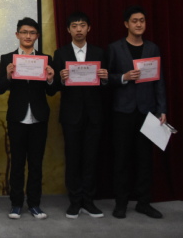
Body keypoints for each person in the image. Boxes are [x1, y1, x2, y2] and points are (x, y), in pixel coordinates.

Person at [107, 5, 167, 220]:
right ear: (126, 24)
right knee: (121, 159)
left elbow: (159, 81)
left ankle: (144, 202)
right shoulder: (115, 48)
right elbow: (106, 78)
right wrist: (124, 77)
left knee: (145, 159)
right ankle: (121, 204)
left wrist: (162, 109)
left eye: (142, 20)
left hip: (146, 111)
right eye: (134, 21)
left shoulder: (152, 48)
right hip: (122, 111)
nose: (139, 24)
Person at [0, 17, 55, 220]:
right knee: (17, 163)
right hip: (17, 117)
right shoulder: (7, 58)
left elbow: (52, 91)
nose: (28, 36)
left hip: (39, 117)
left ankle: (35, 204)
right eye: (24, 32)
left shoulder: (46, 59)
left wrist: (50, 79)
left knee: (36, 164)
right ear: (17, 34)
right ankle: (16, 204)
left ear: (37, 36)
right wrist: (8, 76)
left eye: (32, 33)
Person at [52, 12, 108, 219]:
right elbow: (54, 87)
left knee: (91, 158)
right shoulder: (61, 53)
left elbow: (106, 86)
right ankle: (75, 201)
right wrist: (60, 78)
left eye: (82, 25)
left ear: (88, 28)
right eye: (74, 26)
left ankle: (89, 201)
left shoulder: (99, 52)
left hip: (94, 114)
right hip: (71, 115)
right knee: (73, 158)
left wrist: (105, 78)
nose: (78, 29)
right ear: (68, 29)